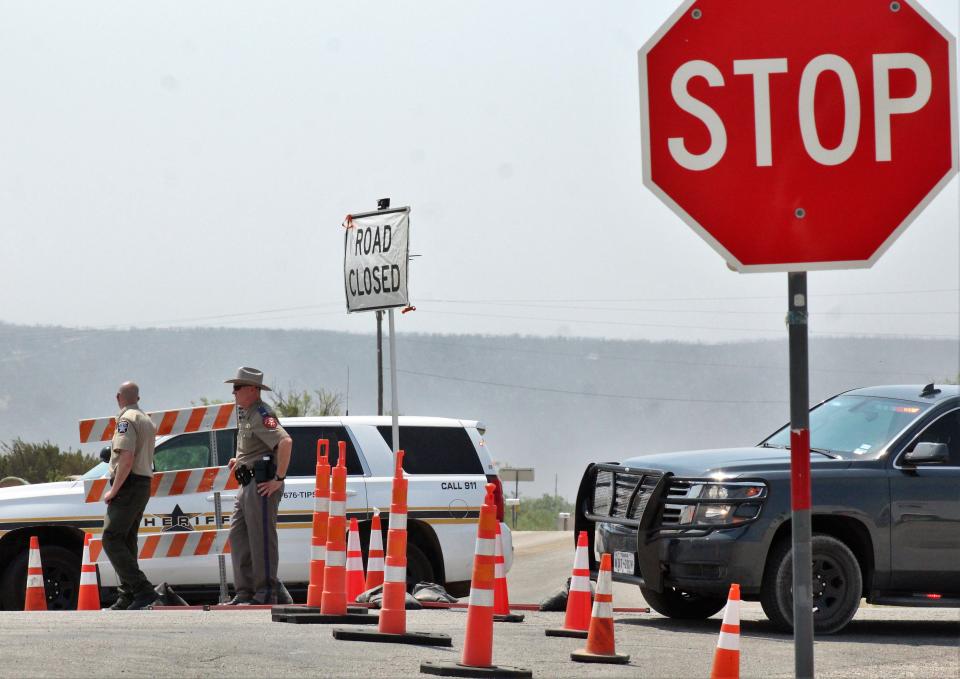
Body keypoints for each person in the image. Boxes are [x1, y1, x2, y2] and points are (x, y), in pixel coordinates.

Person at [224, 367, 292, 605]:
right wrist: (239, 459)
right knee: (239, 535)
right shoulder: (246, 413)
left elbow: (285, 442)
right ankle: (245, 592)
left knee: (260, 538)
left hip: (261, 484)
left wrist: (279, 479)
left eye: (237, 388)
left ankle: (265, 592)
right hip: (246, 483)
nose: (233, 393)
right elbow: (251, 445)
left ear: (252, 390)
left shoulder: (262, 414)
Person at [101, 381, 158, 610]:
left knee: (111, 537)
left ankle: (142, 590)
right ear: (138, 398)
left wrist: (114, 490)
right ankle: (128, 595)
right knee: (126, 539)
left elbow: (126, 457)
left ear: (118, 397)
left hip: (129, 483)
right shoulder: (145, 419)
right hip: (142, 483)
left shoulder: (126, 421)